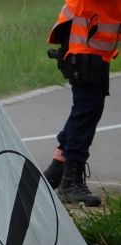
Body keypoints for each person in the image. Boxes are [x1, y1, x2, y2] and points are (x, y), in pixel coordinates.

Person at [43, 0, 121, 207]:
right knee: (86, 110)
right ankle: (70, 182)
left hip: (92, 45)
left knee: (89, 110)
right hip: (83, 44)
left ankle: (58, 169)